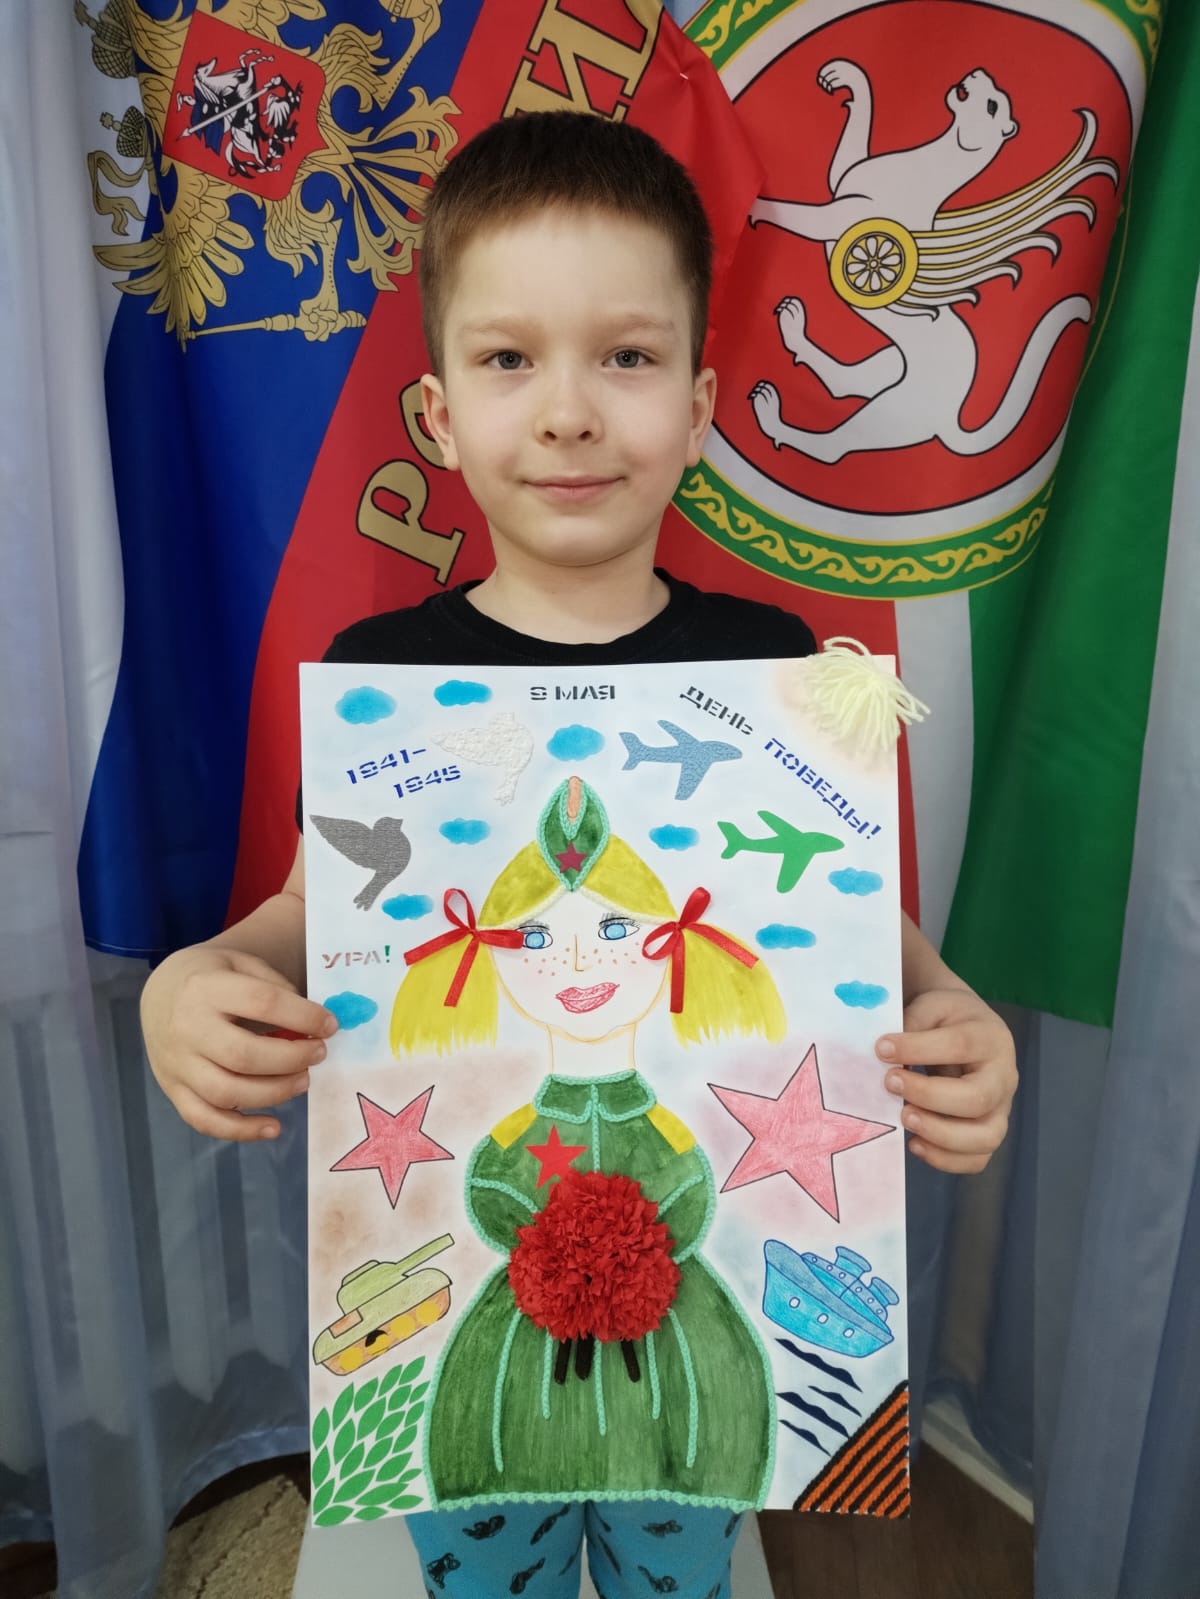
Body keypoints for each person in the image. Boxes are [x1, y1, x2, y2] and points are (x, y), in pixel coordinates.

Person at [141, 111, 1018, 1599]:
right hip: (462, 1303)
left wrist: (948, 1007)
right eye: (508, 358)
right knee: (489, 1558)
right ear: (437, 415)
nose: (567, 412)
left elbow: (843, 923)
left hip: (702, 1290)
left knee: (683, 1544)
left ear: (699, 402)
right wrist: (198, 979)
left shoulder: (774, 666)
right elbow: (310, 910)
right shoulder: (386, 677)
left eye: (625, 356)